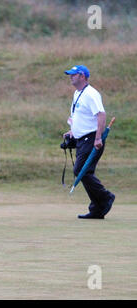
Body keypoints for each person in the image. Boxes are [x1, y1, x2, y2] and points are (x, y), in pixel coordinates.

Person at [63, 65, 115, 219]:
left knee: (81, 170)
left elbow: (101, 115)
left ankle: (105, 198)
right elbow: (78, 115)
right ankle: (98, 209)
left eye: (74, 74)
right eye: (70, 74)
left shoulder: (91, 94)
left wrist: (98, 138)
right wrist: (73, 131)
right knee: (84, 171)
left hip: (92, 139)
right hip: (82, 139)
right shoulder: (77, 93)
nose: (71, 77)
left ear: (83, 76)